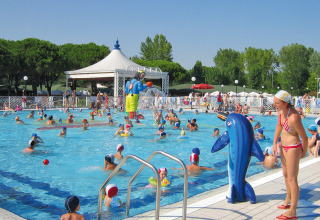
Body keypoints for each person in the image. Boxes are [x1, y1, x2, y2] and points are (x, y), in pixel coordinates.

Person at [272, 90, 308, 219]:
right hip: (284, 146)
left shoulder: (294, 117)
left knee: (292, 179)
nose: (274, 105)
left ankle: (293, 211)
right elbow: (278, 127)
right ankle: (288, 198)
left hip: (293, 148)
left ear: (285, 103)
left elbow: (305, 137)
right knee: (285, 174)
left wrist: (303, 152)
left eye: (277, 103)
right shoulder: (281, 112)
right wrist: (275, 143)